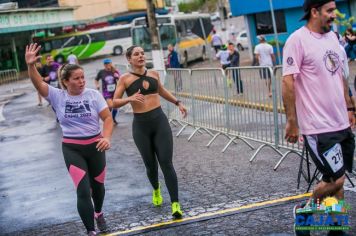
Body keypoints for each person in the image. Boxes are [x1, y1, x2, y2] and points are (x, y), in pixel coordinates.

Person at [282, 1, 355, 235]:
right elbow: (287, 82)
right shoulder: (298, 40)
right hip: (317, 126)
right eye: (330, 11)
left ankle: (336, 226)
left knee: (336, 176)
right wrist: (292, 121)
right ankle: (303, 214)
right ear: (314, 11)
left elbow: (341, 77)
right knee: (337, 178)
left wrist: (351, 108)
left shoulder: (333, 38)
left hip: (341, 122)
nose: (334, 15)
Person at [25, 43, 113, 236]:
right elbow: (38, 84)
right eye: (76, 78)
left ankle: (98, 213)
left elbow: (107, 118)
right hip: (72, 149)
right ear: (65, 81)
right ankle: (91, 230)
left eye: (83, 77)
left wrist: (106, 137)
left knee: (98, 189)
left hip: (96, 146)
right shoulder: (58, 96)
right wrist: (31, 66)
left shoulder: (94, 95)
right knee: (82, 191)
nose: (82, 81)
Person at [113, 45, 187, 219]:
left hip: (160, 122)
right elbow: (114, 102)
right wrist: (129, 99)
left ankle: (175, 204)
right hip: (141, 126)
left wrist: (178, 102)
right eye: (136, 54)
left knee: (166, 163)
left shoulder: (154, 74)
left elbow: (161, 90)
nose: (140, 56)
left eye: (141, 53)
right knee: (150, 166)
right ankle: (156, 189)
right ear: (129, 59)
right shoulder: (125, 79)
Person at [95, 58, 120, 124]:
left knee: (115, 108)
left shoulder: (115, 71)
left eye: (109, 63)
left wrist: (117, 77)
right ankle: (107, 118)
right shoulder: (101, 72)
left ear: (111, 64)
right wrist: (97, 85)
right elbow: (96, 79)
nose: (107, 65)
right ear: (104, 65)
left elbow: (120, 80)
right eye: (106, 64)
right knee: (111, 106)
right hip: (106, 92)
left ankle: (113, 119)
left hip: (115, 92)